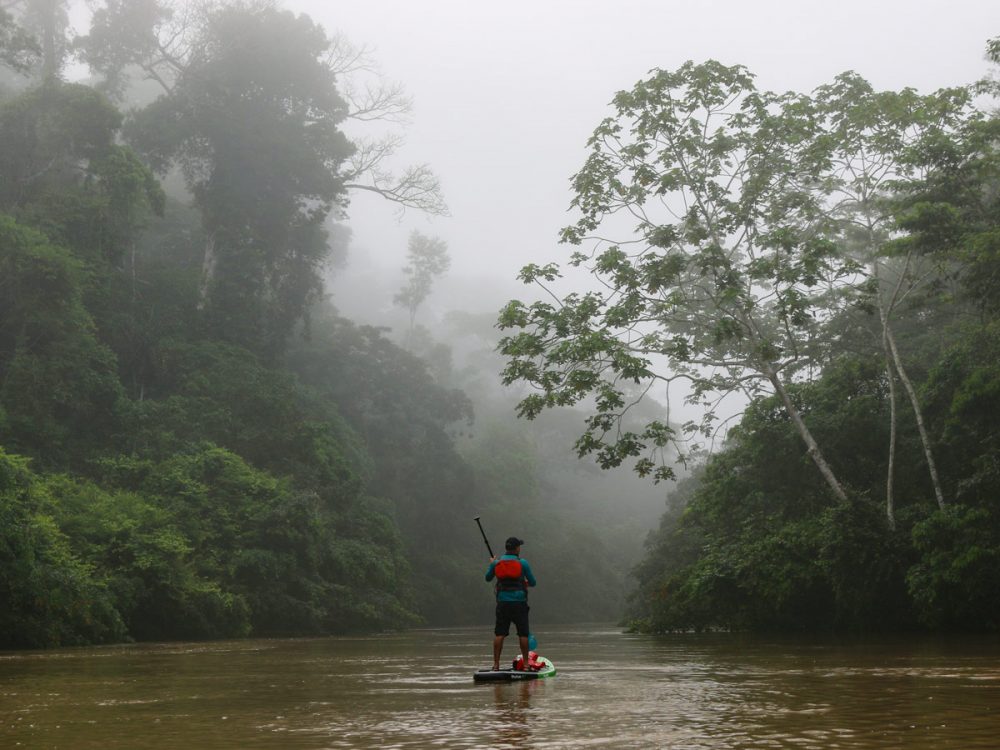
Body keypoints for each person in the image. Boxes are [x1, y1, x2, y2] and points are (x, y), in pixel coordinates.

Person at [485, 536, 536, 671]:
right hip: (519, 604)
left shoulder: (497, 563)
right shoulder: (523, 563)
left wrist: (492, 563)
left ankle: (496, 665)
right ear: (517, 548)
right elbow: (533, 582)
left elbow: (487, 578)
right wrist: (523, 583)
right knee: (523, 634)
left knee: (499, 634)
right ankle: (526, 665)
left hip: (503, 604)